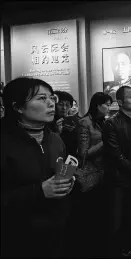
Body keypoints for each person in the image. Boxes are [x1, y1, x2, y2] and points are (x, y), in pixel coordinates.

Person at [1, 77, 75, 257]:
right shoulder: (4, 142)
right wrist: (39, 191)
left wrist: (67, 182)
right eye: (42, 99)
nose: (51, 104)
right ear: (18, 106)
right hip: (16, 237)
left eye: (52, 98)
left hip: (55, 231)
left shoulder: (55, 139)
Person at [102, 86, 131, 258]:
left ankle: (129, 247)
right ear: (120, 102)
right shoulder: (111, 123)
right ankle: (116, 250)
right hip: (118, 179)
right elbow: (116, 155)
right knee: (116, 219)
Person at [67, 92, 112, 257]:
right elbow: (83, 154)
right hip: (92, 174)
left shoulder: (105, 122)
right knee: (92, 216)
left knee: (104, 216)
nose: (108, 107)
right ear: (97, 105)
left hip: (106, 173)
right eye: (106, 104)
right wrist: (105, 141)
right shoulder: (84, 123)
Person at [50, 90, 79, 157]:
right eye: (61, 104)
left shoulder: (74, 120)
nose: (64, 108)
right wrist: (57, 132)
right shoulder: (49, 121)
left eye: (67, 105)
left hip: (72, 159)